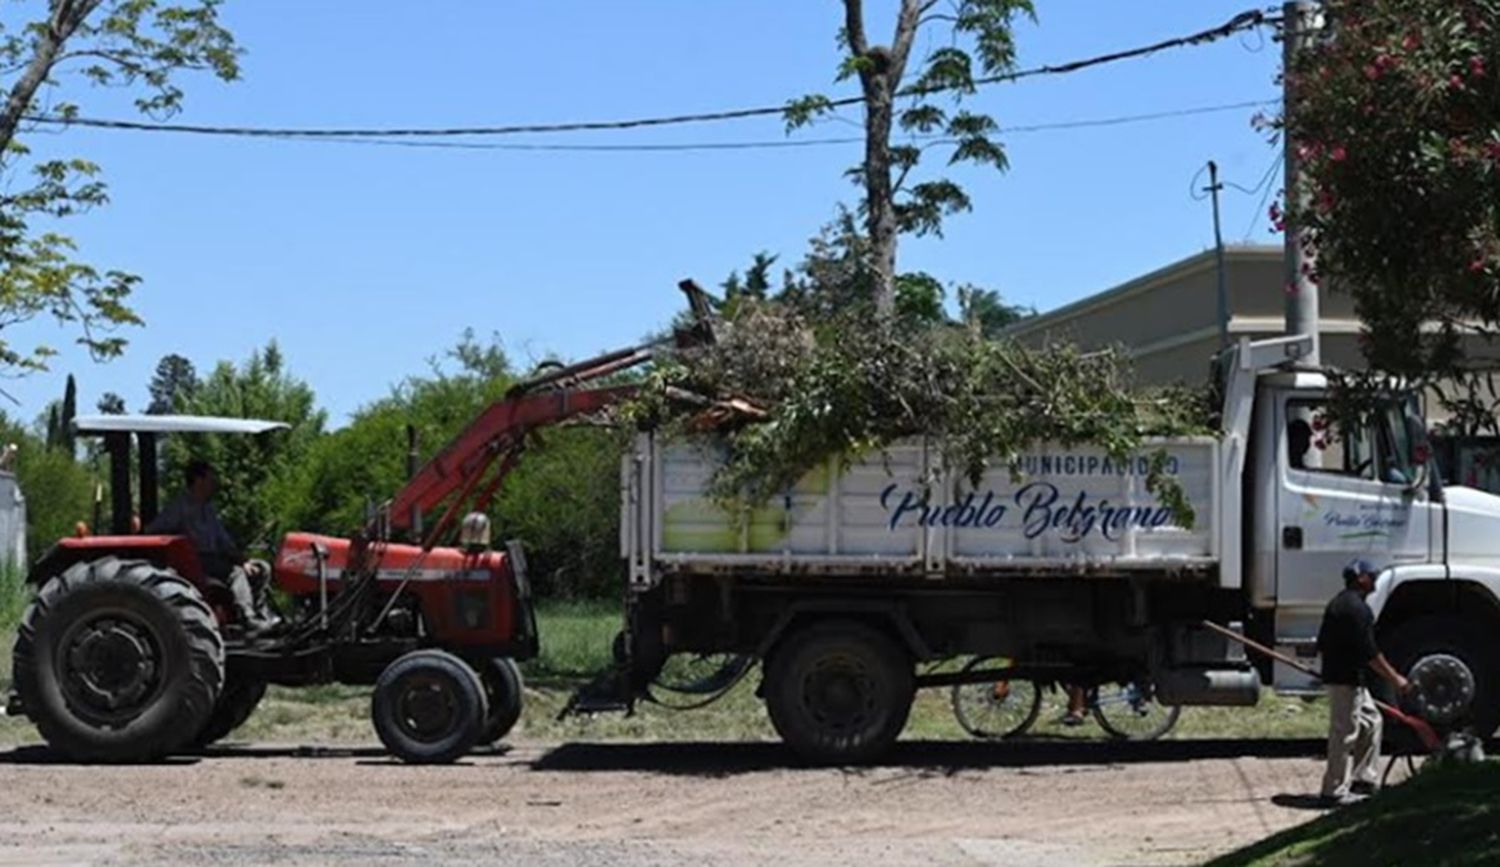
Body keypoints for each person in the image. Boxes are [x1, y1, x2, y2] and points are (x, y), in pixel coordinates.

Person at [1316, 558, 1411, 806]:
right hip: (1344, 679)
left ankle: (1364, 779)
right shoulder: (1356, 610)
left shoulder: (1343, 602)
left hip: (1350, 678)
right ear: (1362, 579)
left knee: (1371, 721)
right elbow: (1371, 653)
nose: (1377, 578)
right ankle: (1332, 792)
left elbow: (1322, 642)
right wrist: (1396, 679)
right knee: (1344, 734)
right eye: (1373, 575)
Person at [147, 460, 277, 633]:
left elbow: (224, 540)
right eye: (210, 479)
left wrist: (244, 560)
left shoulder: (208, 508)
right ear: (198, 480)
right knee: (235, 572)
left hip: (215, 559)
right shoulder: (179, 507)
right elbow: (154, 530)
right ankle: (247, 617)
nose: (214, 483)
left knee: (263, 568)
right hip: (197, 561)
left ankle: (263, 615)